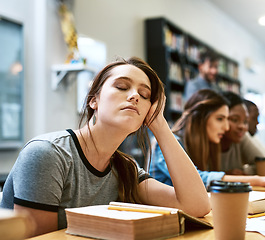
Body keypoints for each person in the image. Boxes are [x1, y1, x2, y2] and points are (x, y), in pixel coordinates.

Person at [0, 57, 210, 237]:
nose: (135, 96)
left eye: (145, 95)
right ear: (94, 101)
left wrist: (160, 126)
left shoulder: (125, 168)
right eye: (121, 87)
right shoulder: (47, 154)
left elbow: (197, 205)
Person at [150, 89, 265, 188]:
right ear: (200, 118)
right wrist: (258, 180)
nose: (227, 127)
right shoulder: (167, 143)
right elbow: (196, 180)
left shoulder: (207, 144)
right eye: (220, 119)